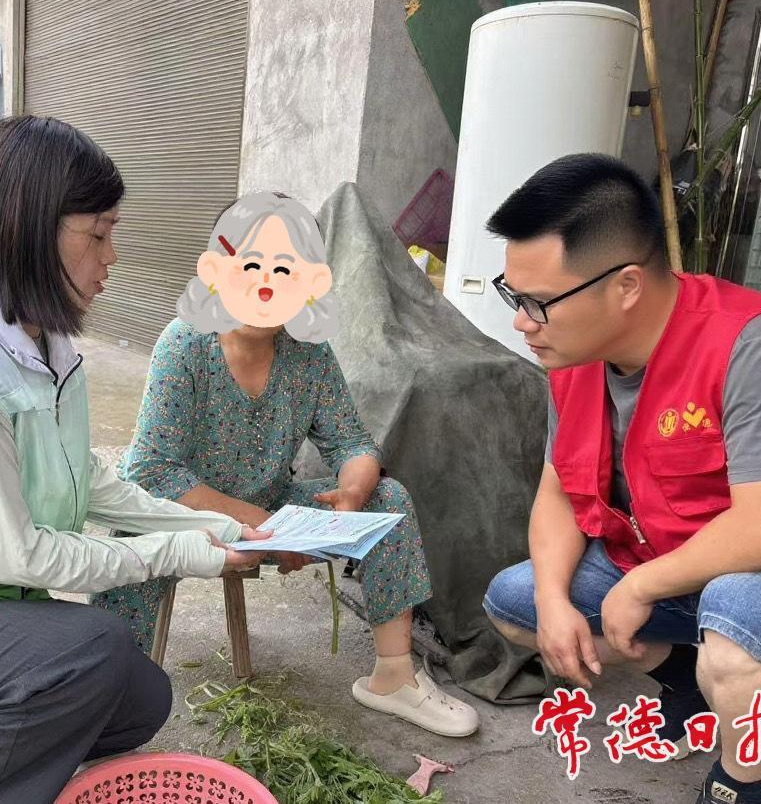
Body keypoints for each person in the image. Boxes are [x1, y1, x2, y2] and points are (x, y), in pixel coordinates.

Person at [0, 115, 268, 804]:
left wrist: (223, 531)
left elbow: (88, 479)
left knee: (140, 700)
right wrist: (179, 553)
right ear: (29, 229)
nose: (112, 256)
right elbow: (15, 554)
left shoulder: (45, 346)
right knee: (92, 651)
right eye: (98, 233)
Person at [480, 154, 761, 804]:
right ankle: (690, 681)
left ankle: (737, 786)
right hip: (668, 559)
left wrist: (641, 585)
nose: (521, 322)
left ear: (626, 286)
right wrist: (556, 602)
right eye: (514, 295)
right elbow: (558, 491)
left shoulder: (758, 346)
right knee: (518, 601)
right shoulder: (575, 355)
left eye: (538, 303)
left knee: (739, 621)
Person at [92, 192, 480, 738]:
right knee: (130, 535)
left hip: (274, 511)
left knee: (388, 499)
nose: (265, 286)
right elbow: (153, 471)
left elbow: (352, 442)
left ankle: (393, 677)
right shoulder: (185, 345)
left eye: (285, 271)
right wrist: (267, 528)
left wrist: (352, 492)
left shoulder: (308, 353)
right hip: (189, 515)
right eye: (250, 266)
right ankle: (105, 687)